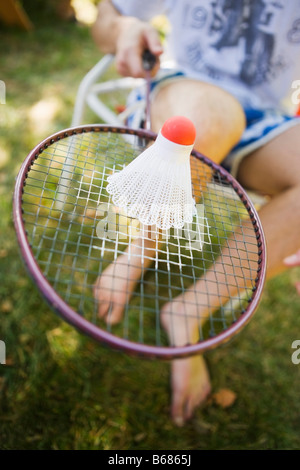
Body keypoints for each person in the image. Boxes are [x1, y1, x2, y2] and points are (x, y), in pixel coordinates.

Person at [92, 0, 300, 426]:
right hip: (184, 90)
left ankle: (189, 310)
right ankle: (140, 253)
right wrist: (125, 28)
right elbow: (105, 18)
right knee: (202, 121)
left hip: (264, 120)